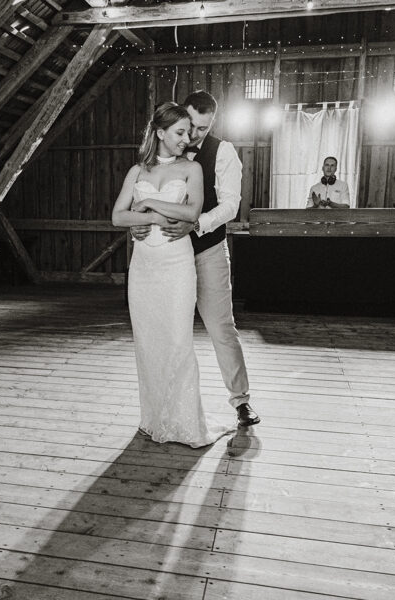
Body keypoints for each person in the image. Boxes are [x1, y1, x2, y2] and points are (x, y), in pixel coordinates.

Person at [132, 91, 259, 428]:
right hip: (167, 256)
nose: (194, 135)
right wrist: (137, 226)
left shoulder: (223, 151)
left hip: (207, 251)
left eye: (204, 128)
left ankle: (241, 400)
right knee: (168, 330)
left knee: (220, 327)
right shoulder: (163, 152)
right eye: (191, 127)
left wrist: (197, 224)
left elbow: (230, 205)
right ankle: (167, 408)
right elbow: (143, 196)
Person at [113, 102, 234, 447]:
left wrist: (149, 204)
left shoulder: (192, 169)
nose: (186, 138)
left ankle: (185, 422)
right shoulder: (137, 171)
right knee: (148, 343)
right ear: (160, 132)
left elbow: (192, 212)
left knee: (178, 341)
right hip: (144, 268)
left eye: (189, 132)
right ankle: (154, 417)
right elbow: (118, 216)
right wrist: (152, 218)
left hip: (177, 265)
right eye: (180, 132)